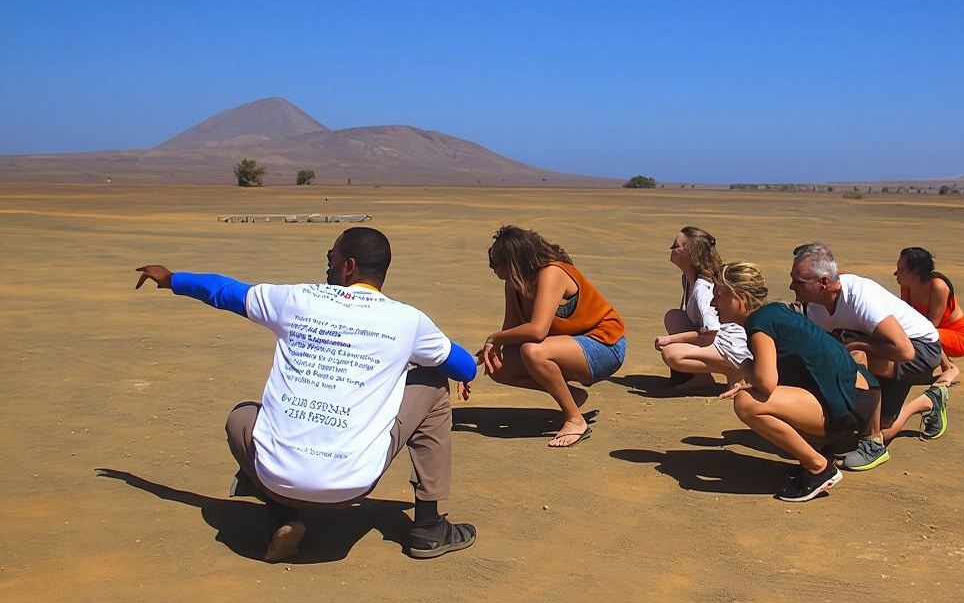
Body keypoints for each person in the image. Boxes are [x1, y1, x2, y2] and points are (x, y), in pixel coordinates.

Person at [134, 227, 478, 563]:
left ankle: (283, 514)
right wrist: (408, 357)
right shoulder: (408, 321)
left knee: (241, 416)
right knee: (434, 380)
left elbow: (224, 291)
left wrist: (171, 279)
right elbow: (464, 366)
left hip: (276, 477)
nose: (327, 264)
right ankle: (429, 526)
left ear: (349, 265)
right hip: (354, 482)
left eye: (332, 257)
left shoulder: (298, 300)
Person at [713, 262, 879, 502]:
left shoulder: (759, 324)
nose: (712, 303)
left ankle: (819, 468)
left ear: (739, 297)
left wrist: (743, 366)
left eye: (718, 295)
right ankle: (823, 453)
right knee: (756, 396)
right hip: (860, 396)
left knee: (746, 403)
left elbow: (767, 383)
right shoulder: (776, 312)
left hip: (848, 405)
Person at [789, 242, 946, 472]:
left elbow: (905, 351)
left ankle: (873, 443)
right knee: (886, 429)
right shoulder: (815, 308)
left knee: (856, 356)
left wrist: (859, 345)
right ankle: (930, 400)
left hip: (920, 351)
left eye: (798, 281)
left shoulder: (860, 296)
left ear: (823, 283)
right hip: (883, 351)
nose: (791, 286)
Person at [478, 225, 627, 447]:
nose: (492, 269)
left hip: (605, 346)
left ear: (513, 261)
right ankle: (572, 397)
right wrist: (482, 357)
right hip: (567, 347)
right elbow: (510, 329)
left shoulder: (552, 273)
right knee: (499, 367)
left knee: (533, 351)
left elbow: (537, 331)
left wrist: (494, 338)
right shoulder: (513, 284)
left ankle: (575, 420)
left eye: (495, 263)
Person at [654, 226, 750, 391]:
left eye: (676, 246)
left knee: (671, 354)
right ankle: (702, 378)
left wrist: (670, 340)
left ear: (691, 254)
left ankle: (734, 371)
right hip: (716, 338)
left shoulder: (702, 288)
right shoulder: (687, 279)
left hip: (731, 344)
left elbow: (711, 331)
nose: (672, 249)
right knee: (674, 317)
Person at [894, 246, 964, 388]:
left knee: (925, 332)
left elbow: (931, 326)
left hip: (958, 336)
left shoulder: (938, 287)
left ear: (916, 273)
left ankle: (949, 369)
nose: (895, 273)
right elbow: (904, 318)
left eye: (901, 270)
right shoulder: (906, 285)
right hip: (936, 333)